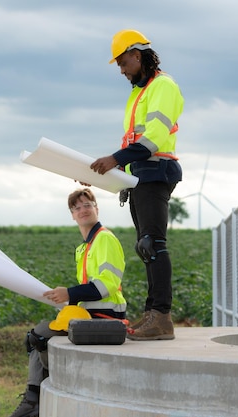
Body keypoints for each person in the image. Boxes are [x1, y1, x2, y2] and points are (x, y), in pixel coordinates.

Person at [89, 29, 184, 341]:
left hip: (156, 171)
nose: (121, 69)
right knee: (147, 248)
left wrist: (114, 159)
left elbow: (154, 137)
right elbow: (134, 143)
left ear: (137, 55)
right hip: (139, 175)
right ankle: (153, 314)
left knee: (153, 245)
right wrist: (102, 171)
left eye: (123, 62)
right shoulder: (138, 94)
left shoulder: (164, 86)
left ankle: (162, 319)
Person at [9, 188, 126, 417]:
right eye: (76, 207)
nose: (82, 210)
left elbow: (107, 285)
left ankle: (35, 401)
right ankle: (37, 399)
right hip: (89, 316)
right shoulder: (84, 247)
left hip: (106, 318)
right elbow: (88, 291)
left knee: (37, 337)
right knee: (35, 337)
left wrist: (69, 294)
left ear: (96, 208)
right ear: (72, 215)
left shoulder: (105, 239)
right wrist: (65, 299)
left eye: (87, 205)